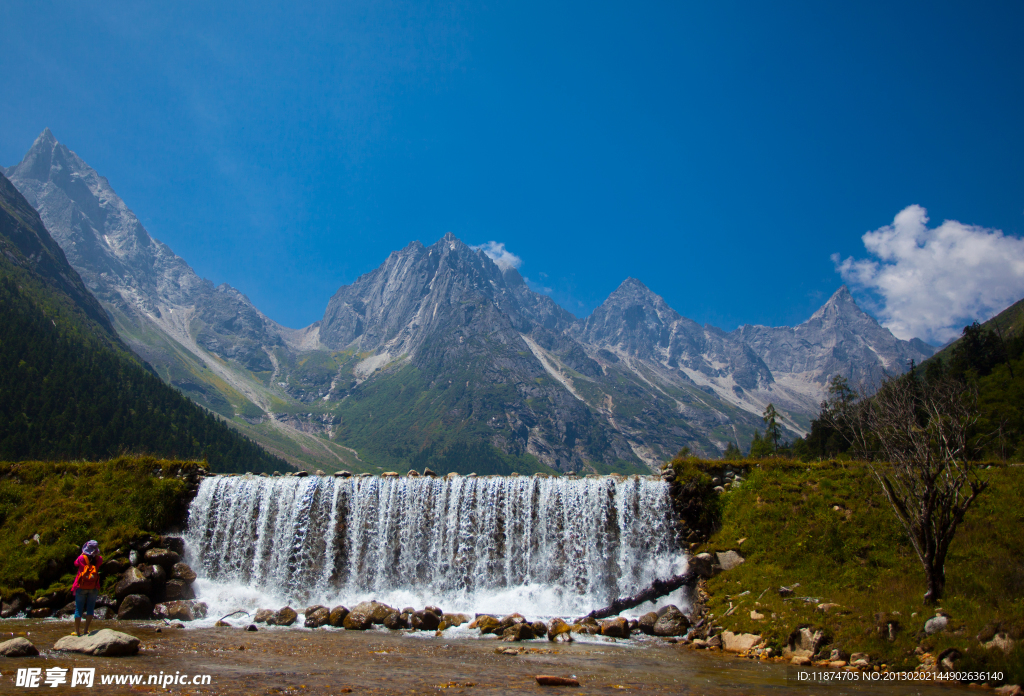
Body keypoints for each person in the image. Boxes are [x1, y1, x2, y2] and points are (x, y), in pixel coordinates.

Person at [72, 540, 103, 636]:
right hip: (93, 586)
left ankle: (77, 631)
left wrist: (82, 554)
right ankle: (86, 630)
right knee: (90, 608)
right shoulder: (99, 559)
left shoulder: (81, 558)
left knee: (78, 609)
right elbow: (99, 564)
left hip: (81, 585)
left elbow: (75, 563)